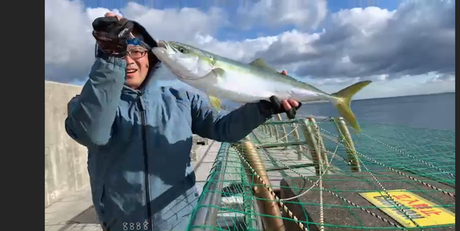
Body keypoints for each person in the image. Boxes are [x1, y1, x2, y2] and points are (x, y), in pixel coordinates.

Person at [64, 12, 302, 231]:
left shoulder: (182, 100)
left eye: (136, 51)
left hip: (181, 221)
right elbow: (92, 132)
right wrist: (109, 58)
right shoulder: (88, 105)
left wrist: (262, 107)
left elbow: (225, 129)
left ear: (151, 58)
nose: (128, 61)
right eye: (118, 51)